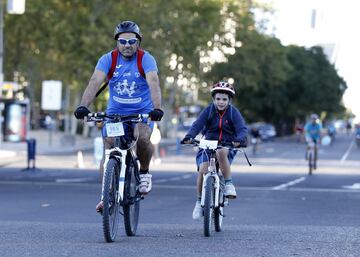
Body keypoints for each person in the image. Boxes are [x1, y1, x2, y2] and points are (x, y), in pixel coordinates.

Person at [74, 21, 163, 213]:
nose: (127, 45)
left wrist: (157, 108)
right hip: (115, 113)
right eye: (122, 41)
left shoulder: (146, 59)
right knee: (109, 148)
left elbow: (153, 82)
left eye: (132, 41)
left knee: (144, 137)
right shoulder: (108, 59)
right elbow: (94, 81)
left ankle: (145, 172)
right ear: (117, 42)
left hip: (142, 112)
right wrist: (83, 106)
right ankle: (106, 196)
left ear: (138, 42)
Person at [181, 81, 248, 220]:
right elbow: (197, 124)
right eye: (218, 99)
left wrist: (240, 139)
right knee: (203, 169)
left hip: (227, 143)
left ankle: (228, 184)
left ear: (229, 100)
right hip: (208, 142)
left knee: (221, 152)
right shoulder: (209, 110)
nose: (221, 102)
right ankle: (199, 202)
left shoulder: (233, 112)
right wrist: (189, 136)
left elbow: (242, 129)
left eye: (224, 99)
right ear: (213, 99)